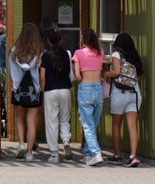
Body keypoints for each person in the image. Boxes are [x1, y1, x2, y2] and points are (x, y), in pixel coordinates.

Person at [104, 32, 144, 167]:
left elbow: (116, 72)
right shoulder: (135, 57)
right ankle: (133, 156)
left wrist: (106, 74)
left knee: (116, 124)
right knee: (132, 125)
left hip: (120, 93)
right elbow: (138, 79)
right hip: (134, 93)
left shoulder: (116, 55)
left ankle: (117, 156)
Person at [9, 23, 44, 162]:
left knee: (19, 118)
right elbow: (41, 74)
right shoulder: (39, 53)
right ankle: (29, 153)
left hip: (18, 89)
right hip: (34, 91)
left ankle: (21, 143)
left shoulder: (13, 51)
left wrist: (15, 83)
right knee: (31, 121)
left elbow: (12, 75)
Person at [72, 27, 106, 166]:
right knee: (93, 124)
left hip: (85, 88)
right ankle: (88, 154)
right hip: (98, 88)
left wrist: (82, 80)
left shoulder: (78, 53)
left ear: (83, 39)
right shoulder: (101, 52)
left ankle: (96, 153)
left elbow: (77, 75)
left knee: (87, 125)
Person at [40, 28, 73, 162]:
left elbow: (42, 77)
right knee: (64, 119)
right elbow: (70, 74)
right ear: (60, 40)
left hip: (50, 90)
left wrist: (43, 93)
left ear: (48, 41)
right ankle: (66, 141)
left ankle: (54, 154)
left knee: (51, 121)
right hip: (65, 89)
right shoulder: (68, 54)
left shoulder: (45, 56)